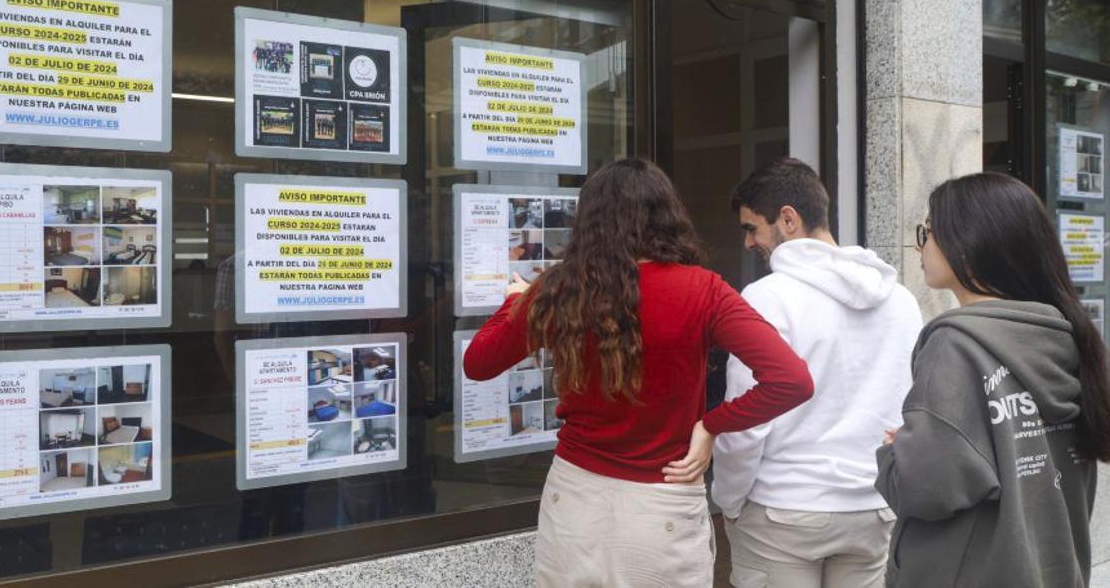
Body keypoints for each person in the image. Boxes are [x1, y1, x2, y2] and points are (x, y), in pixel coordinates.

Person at [462, 158, 814, 587]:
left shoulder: (561, 289)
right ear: (667, 218)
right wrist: (712, 425)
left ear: (590, 222)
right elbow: (791, 380)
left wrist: (516, 301)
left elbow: (478, 363)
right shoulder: (704, 290)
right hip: (662, 505)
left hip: (574, 498)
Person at [876, 173, 1110, 587]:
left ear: (968, 244)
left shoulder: (957, 343)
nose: (920, 246)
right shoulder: (1065, 334)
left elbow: (924, 488)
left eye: (927, 232)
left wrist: (894, 455)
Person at [713, 158, 923, 587]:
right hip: (873, 506)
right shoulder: (900, 300)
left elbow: (745, 422)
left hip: (783, 510)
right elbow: (913, 405)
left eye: (753, 228)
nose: (750, 243)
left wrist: (728, 500)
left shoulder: (766, 297)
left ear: (788, 219)